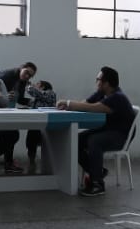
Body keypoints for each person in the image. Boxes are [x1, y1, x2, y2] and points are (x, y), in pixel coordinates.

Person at [57, 66, 135, 197]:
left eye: (98, 79)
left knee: (95, 141)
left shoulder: (117, 97)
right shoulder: (101, 93)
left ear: (107, 83)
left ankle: (97, 184)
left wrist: (69, 103)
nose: (96, 82)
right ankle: (97, 171)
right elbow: (85, 104)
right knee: (75, 140)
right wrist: (68, 106)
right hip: (108, 130)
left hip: (121, 136)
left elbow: (93, 108)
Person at [0, 61, 37, 173]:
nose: (27, 76)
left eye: (30, 76)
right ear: (21, 68)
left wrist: (31, 102)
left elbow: (19, 99)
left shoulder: (23, 81)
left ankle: (5, 162)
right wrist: (4, 96)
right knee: (12, 134)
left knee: (12, 132)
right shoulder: (6, 75)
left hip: (8, 110)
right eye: (26, 72)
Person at [23, 79, 56, 172]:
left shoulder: (50, 93)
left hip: (47, 125)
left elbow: (40, 94)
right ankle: (32, 160)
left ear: (43, 87)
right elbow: (30, 103)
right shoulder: (37, 98)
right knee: (31, 137)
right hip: (37, 125)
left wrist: (29, 87)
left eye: (37, 84)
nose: (35, 85)